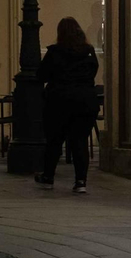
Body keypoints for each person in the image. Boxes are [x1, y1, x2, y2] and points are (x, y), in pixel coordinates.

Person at [36, 16, 100, 193]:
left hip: (59, 100)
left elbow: (42, 75)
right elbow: (94, 71)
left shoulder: (55, 52)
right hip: (85, 100)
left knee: (55, 141)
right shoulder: (89, 51)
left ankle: (48, 177)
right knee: (80, 141)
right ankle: (81, 182)